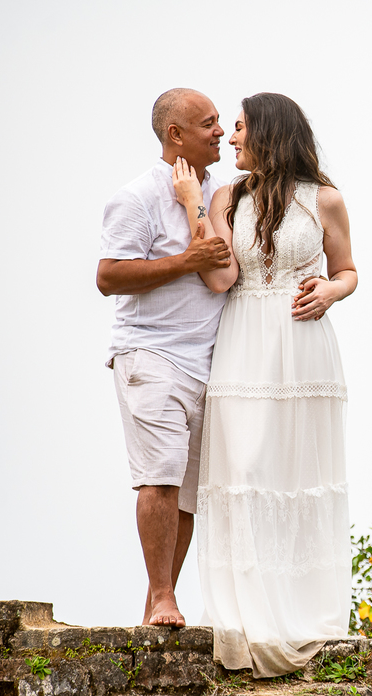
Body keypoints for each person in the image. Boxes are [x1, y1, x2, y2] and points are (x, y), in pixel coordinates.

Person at [172, 92, 358, 677]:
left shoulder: (325, 199)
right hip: (245, 339)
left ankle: (301, 614)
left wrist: (331, 290)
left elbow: (348, 271)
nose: (230, 140)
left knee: (297, 473)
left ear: (270, 134)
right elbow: (220, 277)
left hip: (303, 349)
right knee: (244, 471)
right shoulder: (227, 196)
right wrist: (190, 210)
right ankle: (247, 617)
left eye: (241, 129)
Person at [97, 88, 231, 627]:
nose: (220, 132)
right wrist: (185, 260)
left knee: (189, 491)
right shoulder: (137, 197)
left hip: (209, 364)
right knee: (160, 476)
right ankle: (160, 598)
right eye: (208, 123)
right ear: (175, 135)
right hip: (150, 354)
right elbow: (108, 276)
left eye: (222, 122)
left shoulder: (220, 192)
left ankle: (163, 600)